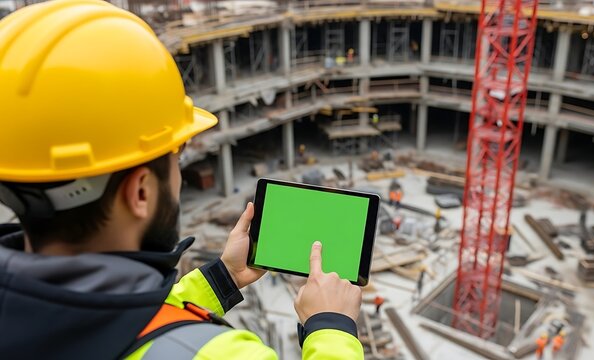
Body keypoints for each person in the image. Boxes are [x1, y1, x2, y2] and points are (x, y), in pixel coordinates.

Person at [0, 1, 362, 359]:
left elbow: (121, 320)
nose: (180, 178)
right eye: (177, 158)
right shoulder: (212, 354)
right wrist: (331, 326)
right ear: (140, 192)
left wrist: (223, 279)